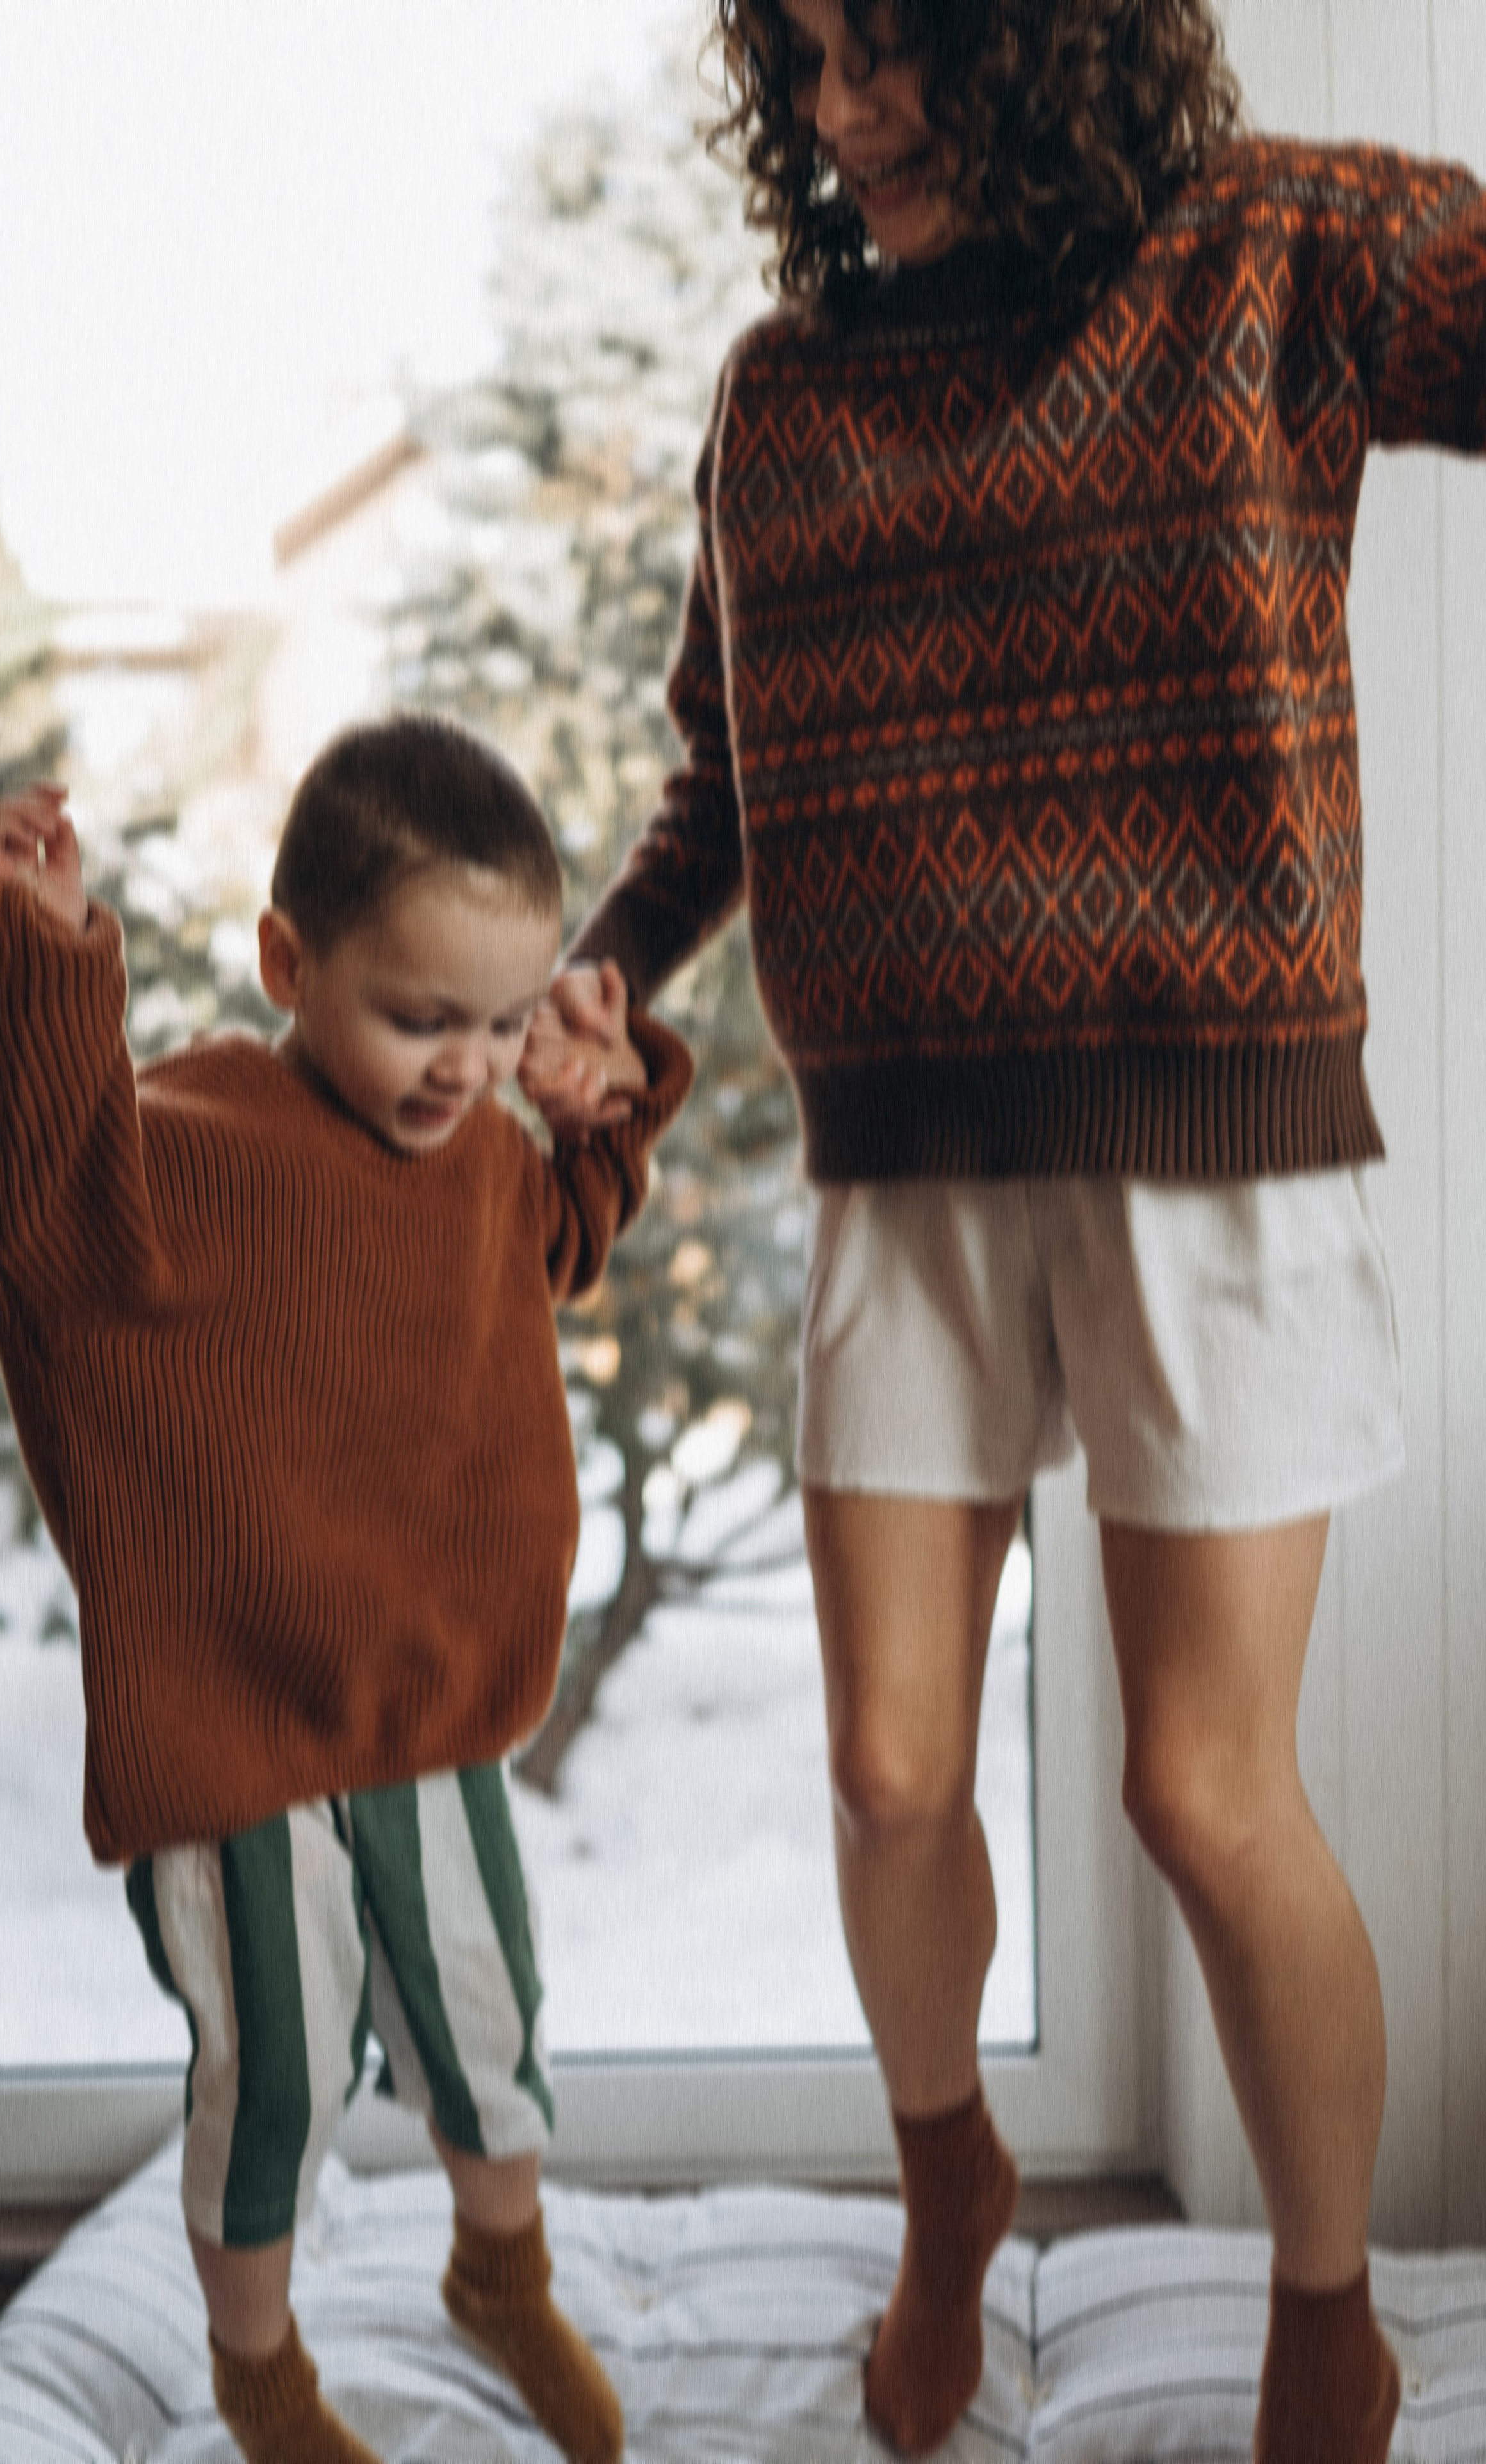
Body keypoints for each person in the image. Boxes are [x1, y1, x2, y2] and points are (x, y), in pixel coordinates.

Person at [521, 3, 1486, 2458]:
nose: (845, 115)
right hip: (908, 1153)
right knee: (879, 1766)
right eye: (810, 63)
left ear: (1039, 49)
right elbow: (715, 783)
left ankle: (1320, 2305)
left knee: (1201, 1790)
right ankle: (953, 2176)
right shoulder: (780, 397)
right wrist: (611, 970)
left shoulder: (1277, 253)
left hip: (1214, 1142)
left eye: (898, 56)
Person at [0, 717, 692, 2464]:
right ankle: (259, 2368)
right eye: (419, 1017)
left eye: (497, 1021)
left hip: (429, 1711)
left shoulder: (482, 1150)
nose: (462, 1066)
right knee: (275, 2086)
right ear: (286, 964)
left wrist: (596, 1104)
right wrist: (24, 964)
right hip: (234, 1726)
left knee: (492, 2039)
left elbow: (558, 1237)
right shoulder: (180, 1148)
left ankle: (502, 2269)